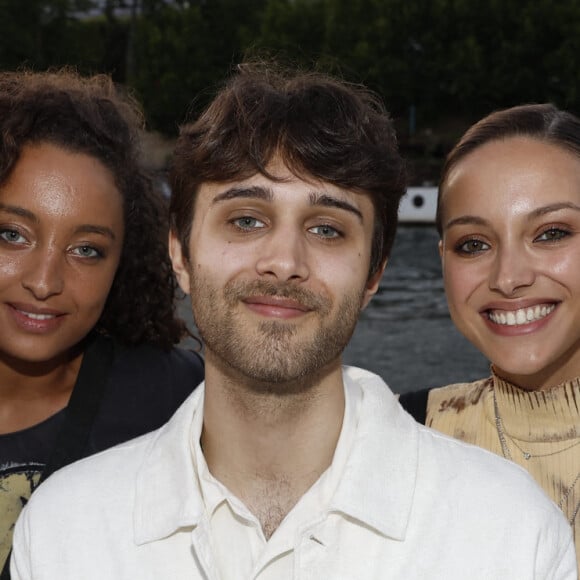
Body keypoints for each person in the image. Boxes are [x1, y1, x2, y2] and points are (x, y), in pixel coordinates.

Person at [10, 65, 576, 579]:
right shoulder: (64, 531)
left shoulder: (511, 534)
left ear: (374, 271)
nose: (284, 262)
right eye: (247, 219)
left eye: (327, 228)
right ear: (179, 252)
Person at [0, 69, 204, 574]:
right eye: (12, 235)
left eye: (86, 249)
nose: (45, 281)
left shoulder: (180, 403)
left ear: (123, 263)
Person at [399, 103, 580, 571]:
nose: (509, 277)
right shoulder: (399, 435)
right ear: (443, 258)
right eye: (473, 244)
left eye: (551, 233)